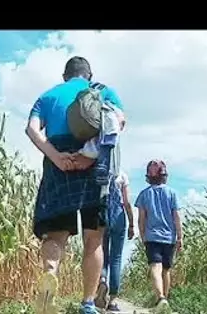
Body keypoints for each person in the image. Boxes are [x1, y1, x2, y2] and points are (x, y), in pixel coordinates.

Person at [25, 56, 124, 314]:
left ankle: (50, 277)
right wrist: (88, 154)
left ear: (64, 76)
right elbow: (118, 123)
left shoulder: (47, 96)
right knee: (94, 239)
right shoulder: (103, 92)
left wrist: (56, 156)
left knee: (55, 234)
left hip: (58, 163)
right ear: (88, 76)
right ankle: (88, 303)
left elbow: (32, 130)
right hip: (95, 168)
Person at [135, 160, 183, 312]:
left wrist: (143, 235)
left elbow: (141, 219)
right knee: (166, 270)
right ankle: (164, 302)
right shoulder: (172, 193)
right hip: (169, 237)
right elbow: (177, 217)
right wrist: (180, 237)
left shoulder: (144, 195)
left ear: (149, 177)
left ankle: (161, 298)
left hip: (152, 237)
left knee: (155, 267)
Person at [95, 171, 135, 312]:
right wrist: (131, 223)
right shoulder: (122, 175)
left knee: (102, 254)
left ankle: (102, 281)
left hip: (102, 214)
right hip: (118, 216)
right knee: (116, 258)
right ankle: (112, 301)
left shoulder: (99, 172)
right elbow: (127, 202)